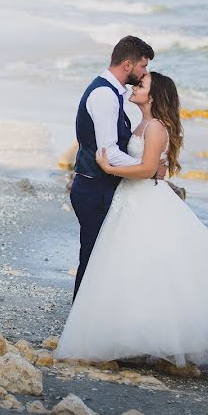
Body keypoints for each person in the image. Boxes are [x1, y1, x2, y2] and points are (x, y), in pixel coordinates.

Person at [55, 71, 208, 366]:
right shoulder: (143, 124)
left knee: (155, 268)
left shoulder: (156, 127)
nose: (135, 86)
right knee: (129, 268)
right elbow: (150, 166)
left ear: (154, 95)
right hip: (132, 198)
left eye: (141, 85)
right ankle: (132, 335)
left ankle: (163, 339)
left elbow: (147, 170)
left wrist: (109, 168)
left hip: (145, 199)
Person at [69, 35, 154, 301]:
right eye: (142, 66)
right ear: (127, 65)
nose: (144, 73)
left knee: (101, 258)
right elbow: (109, 154)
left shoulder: (112, 92)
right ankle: (80, 324)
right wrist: (146, 168)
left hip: (97, 187)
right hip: (94, 189)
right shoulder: (105, 95)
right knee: (93, 259)